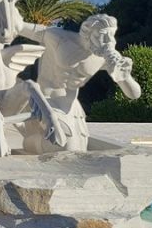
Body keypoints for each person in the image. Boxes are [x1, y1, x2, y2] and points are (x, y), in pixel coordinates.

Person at [18, 14, 141, 152]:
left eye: (112, 35)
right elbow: (18, 26)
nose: (108, 41)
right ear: (88, 32)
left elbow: (134, 94)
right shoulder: (58, 37)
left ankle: (32, 141)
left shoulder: (104, 59)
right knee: (65, 145)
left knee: (78, 149)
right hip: (45, 99)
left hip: (70, 106)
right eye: (102, 35)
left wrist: (125, 78)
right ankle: (29, 143)